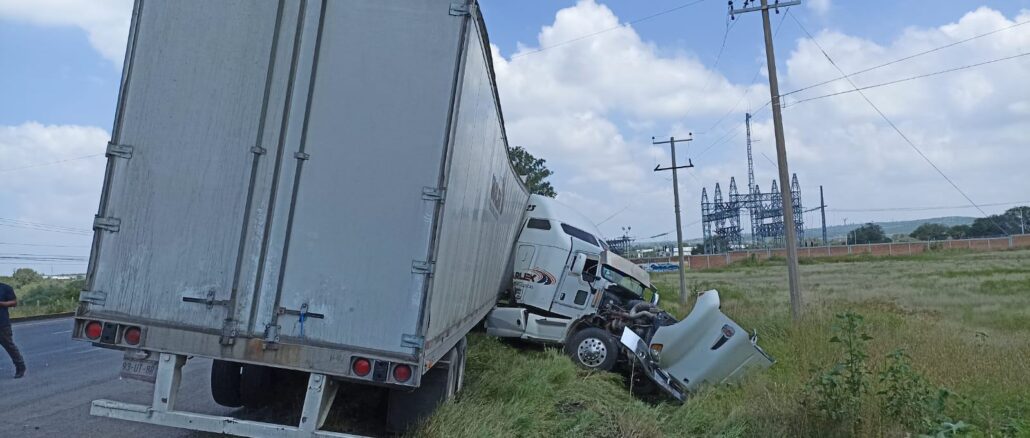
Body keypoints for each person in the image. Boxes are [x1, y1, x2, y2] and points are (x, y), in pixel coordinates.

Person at [0, 281, 26, 378]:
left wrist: (2, 303)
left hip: (2, 324)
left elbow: (14, 302)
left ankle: (20, 366)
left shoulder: (5, 288)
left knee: (9, 346)